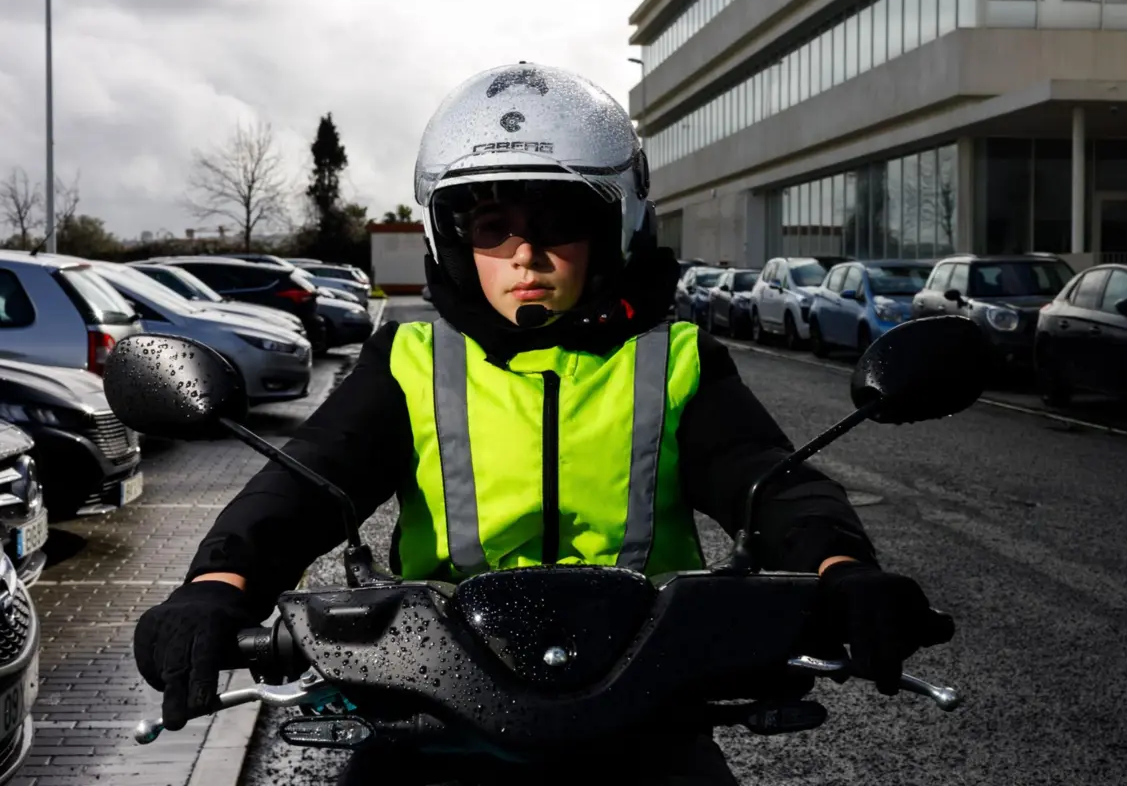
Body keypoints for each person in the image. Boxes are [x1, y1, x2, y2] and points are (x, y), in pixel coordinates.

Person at [132, 63, 950, 785]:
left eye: (555, 225)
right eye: (493, 230)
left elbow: (769, 481)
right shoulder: (412, 360)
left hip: (648, 708)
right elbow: (307, 481)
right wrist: (215, 589)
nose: (524, 255)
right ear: (453, 243)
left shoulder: (675, 359)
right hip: (437, 709)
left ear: (613, 228)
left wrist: (845, 570)